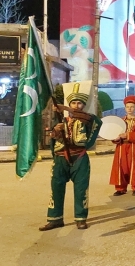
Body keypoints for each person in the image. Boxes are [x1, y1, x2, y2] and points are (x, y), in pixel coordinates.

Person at [39, 83, 102, 231]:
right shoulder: (62, 119)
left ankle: (80, 218)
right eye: (73, 102)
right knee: (56, 188)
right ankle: (55, 218)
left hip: (79, 157)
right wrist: (56, 131)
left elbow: (94, 121)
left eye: (79, 103)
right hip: (61, 158)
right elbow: (53, 137)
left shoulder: (87, 118)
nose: (76, 105)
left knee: (81, 189)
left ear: (84, 105)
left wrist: (66, 109)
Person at [109, 95, 135, 196]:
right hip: (122, 147)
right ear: (125, 108)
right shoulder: (120, 121)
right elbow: (114, 134)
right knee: (122, 167)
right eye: (127, 107)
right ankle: (120, 188)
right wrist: (115, 138)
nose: (130, 109)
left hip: (134, 147)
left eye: (132, 107)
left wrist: (128, 135)